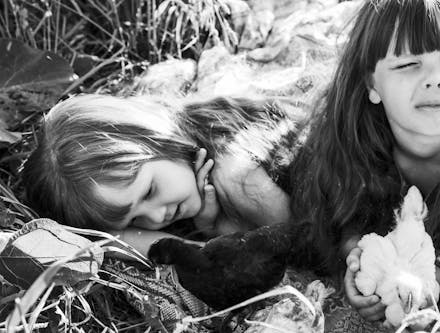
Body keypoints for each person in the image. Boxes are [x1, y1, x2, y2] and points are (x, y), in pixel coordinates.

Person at [289, 0, 440, 321]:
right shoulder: (347, 144)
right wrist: (361, 264)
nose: (435, 79)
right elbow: (346, 219)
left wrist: (429, 283)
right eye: (408, 63)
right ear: (372, 83)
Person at [22, 94, 302, 256]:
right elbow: (113, 240)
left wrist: (220, 231)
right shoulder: (189, 146)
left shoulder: (238, 176)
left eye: (148, 192)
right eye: (135, 220)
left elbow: (308, 246)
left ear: (156, 136)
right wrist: (210, 225)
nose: (156, 217)